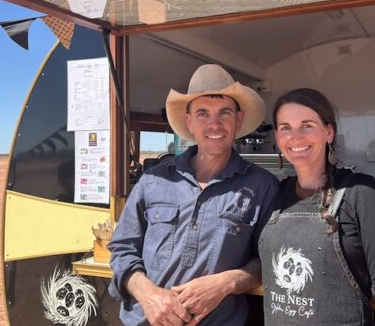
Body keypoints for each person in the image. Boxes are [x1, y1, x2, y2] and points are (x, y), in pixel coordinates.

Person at [108, 64, 279, 326]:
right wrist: (149, 295)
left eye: (225, 113)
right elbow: (122, 249)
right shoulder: (154, 179)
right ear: (189, 122)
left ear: (239, 119)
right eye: (202, 113)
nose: (214, 123)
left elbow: (269, 260)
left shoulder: (262, 186)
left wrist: (226, 282)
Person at [259, 88, 375, 325]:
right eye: (286, 127)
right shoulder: (275, 194)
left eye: (307, 125)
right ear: (277, 137)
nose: (295, 137)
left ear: (328, 132)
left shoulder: (361, 192)